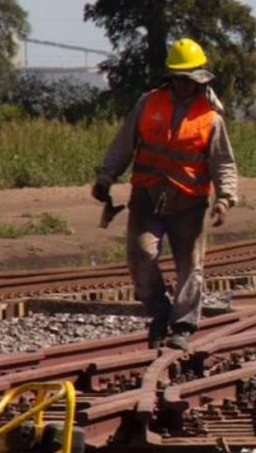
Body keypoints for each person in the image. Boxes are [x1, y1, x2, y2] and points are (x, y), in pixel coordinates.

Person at [92, 38, 238, 350]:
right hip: (146, 196)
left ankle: (183, 326)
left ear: (199, 77)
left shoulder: (210, 117)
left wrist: (225, 198)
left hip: (190, 201)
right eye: (180, 78)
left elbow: (222, 161)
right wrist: (106, 176)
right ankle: (159, 312)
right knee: (141, 255)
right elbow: (124, 143)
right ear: (171, 77)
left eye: (190, 78)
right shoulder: (148, 104)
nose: (185, 84)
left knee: (190, 266)